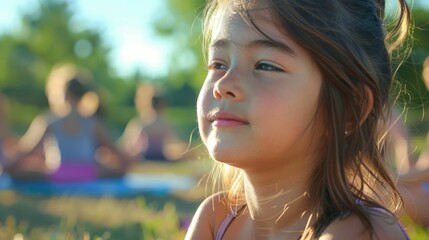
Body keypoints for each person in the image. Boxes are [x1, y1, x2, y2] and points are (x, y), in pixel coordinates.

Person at [186, 0, 411, 239]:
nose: (223, 85)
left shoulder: (359, 232)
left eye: (266, 66)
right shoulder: (216, 218)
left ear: (349, 108)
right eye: (218, 63)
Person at [6, 64, 134, 181]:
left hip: (57, 173)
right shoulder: (93, 122)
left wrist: (9, 164)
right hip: (89, 172)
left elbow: (26, 150)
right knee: (117, 170)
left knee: (17, 170)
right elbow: (116, 151)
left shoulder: (48, 121)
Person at [118, 83, 189, 161]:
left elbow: (130, 143)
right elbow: (179, 138)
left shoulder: (141, 123)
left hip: (146, 156)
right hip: (160, 156)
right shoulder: (165, 123)